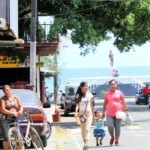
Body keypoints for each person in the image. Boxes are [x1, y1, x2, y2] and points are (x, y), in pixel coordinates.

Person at [102, 80, 129, 146]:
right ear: (110, 85)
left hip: (118, 113)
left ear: (116, 85)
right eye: (112, 84)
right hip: (109, 113)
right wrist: (103, 112)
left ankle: (116, 140)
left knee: (117, 127)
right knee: (110, 126)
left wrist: (126, 110)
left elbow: (123, 102)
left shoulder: (120, 93)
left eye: (114, 84)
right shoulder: (107, 94)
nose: (113, 85)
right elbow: (105, 103)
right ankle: (112, 137)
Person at [0, 85, 23, 150]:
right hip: (5, 119)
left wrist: (20, 111)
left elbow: (21, 106)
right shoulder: (3, 99)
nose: (6, 92)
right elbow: (3, 109)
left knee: (17, 137)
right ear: (3, 92)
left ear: (11, 89)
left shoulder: (16, 97)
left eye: (7, 90)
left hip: (14, 119)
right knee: (6, 137)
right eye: (5, 91)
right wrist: (13, 113)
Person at [74, 82, 94, 150]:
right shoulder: (78, 95)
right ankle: (85, 143)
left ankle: (86, 144)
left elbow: (91, 105)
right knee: (83, 129)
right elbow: (77, 105)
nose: (87, 87)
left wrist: (93, 115)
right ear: (81, 87)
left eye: (87, 86)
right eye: (85, 86)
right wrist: (76, 112)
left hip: (88, 114)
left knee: (87, 129)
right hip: (81, 114)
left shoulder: (90, 95)